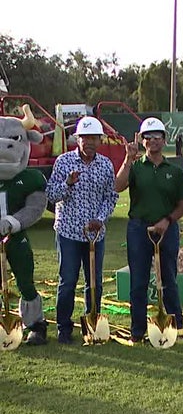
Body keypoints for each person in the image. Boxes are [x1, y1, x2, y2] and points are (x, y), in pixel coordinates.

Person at [114, 117, 183, 345]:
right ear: (142, 141)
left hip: (167, 228)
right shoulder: (136, 167)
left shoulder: (174, 170)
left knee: (169, 278)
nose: (153, 141)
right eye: (148, 137)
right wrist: (128, 158)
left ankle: (176, 326)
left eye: (157, 137)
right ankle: (137, 331)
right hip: (139, 228)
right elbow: (118, 186)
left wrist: (168, 220)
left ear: (164, 140)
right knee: (138, 281)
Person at [46, 116, 119, 344]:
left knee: (94, 282)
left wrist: (100, 218)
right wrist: (67, 184)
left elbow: (111, 196)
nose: (89, 142)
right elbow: (51, 195)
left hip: (95, 234)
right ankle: (64, 328)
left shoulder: (106, 165)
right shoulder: (63, 162)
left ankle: (92, 323)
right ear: (77, 139)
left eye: (93, 138)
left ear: (100, 140)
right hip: (68, 231)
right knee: (67, 280)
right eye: (84, 138)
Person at [0, 107, 50, 345]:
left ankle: (35, 324)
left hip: (16, 237)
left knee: (25, 279)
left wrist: (14, 221)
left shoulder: (29, 179)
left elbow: (36, 207)